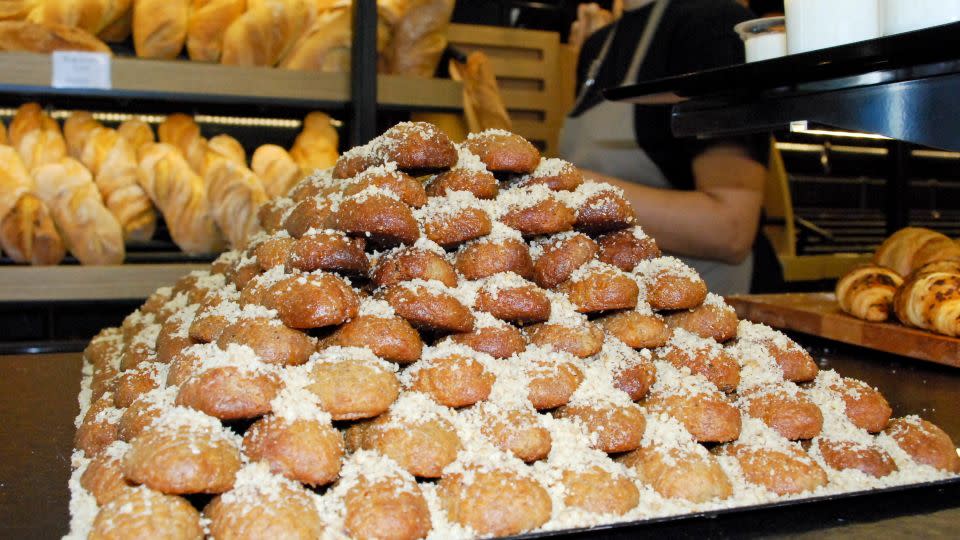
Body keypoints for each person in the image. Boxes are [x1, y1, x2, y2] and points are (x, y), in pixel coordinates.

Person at [560, 0, 767, 295]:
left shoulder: (713, 25)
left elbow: (731, 229)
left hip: (701, 308)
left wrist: (578, 190)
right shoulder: (597, 46)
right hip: (608, 302)